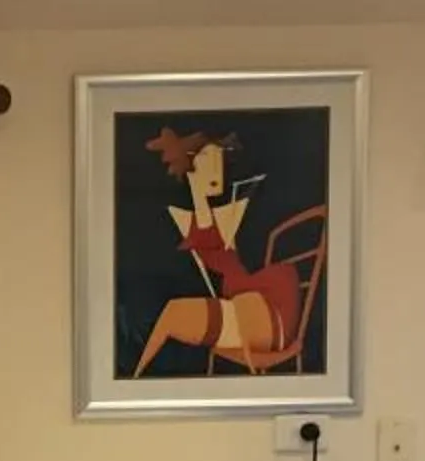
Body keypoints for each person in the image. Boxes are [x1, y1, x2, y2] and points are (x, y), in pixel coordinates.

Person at [133, 127, 312, 376]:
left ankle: (135, 378)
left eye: (217, 160)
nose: (215, 169)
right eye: (206, 161)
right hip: (247, 312)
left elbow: (212, 235)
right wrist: (196, 191)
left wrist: (198, 191)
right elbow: (206, 234)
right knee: (173, 312)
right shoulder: (200, 218)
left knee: (173, 313)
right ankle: (134, 378)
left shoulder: (238, 208)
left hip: (263, 317)